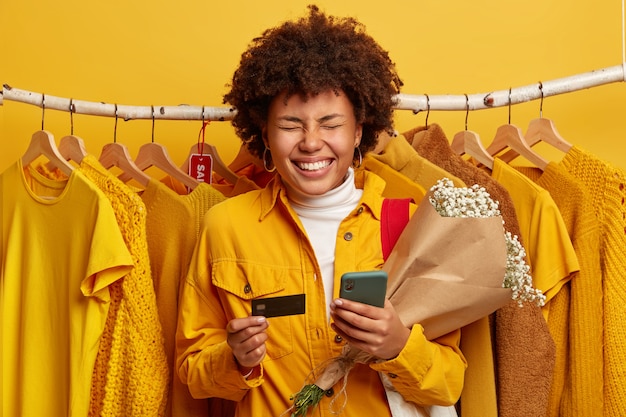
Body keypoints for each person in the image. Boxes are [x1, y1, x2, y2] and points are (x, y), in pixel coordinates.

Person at [175, 5, 466, 416]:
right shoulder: (225, 226)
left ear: (359, 131)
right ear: (264, 135)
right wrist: (234, 358)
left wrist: (398, 345)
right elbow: (193, 372)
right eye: (291, 124)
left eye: (330, 124)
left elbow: (450, 381)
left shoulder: (410, 223)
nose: (311, 142)